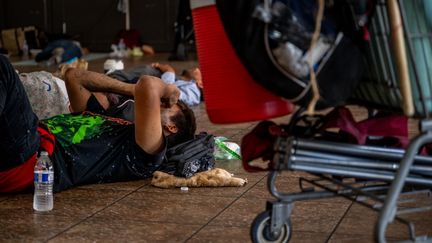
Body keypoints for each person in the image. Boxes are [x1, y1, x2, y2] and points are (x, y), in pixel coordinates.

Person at [0, 55, 196, 193]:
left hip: (32, 158)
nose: (162, 101)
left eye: (169, 105)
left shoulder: (150, 152)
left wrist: (168, 90)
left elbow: (149, 85)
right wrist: (131, 89)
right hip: (25, 141)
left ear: (171, 127)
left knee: (3, 68)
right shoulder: (111, 122)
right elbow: (74, 77)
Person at [107, 62, 204, 107]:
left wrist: (169, 71)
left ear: (201, 84)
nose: (197, 69)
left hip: (156, 94)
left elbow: (170, 94)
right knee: (154, 71)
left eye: (201, 73)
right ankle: (117, 76)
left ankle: (114, 76)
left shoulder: (193, 95)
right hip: (160, 87)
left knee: (149, 71)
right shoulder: (191, 85)